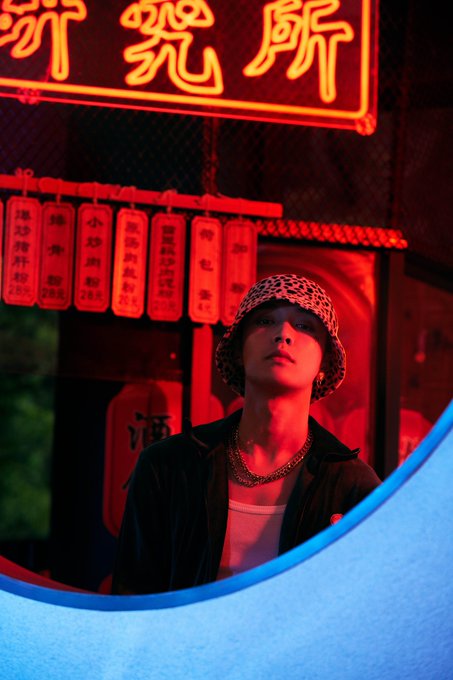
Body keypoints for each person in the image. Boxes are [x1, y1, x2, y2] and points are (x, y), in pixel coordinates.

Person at [112, 274, 381, 594]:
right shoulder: (169, 465)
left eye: (304, 325)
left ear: (325, 361)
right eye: (265, 321)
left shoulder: (352, 485)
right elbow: (133, 597)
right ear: (239, 350)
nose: (283, 334)